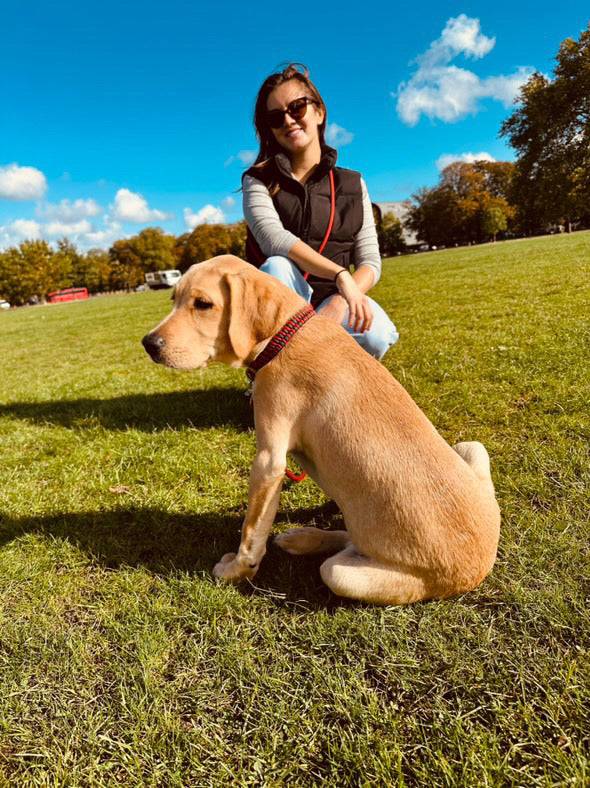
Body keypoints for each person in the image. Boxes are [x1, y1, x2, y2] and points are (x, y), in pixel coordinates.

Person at [241, 63, 399, 360]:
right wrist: (340, 274)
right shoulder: (257, 180)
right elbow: (274, 239)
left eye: (297, 107)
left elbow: (370, 261)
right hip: (281, 301)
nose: (288, 120)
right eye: (276, 118)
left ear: (319, 112)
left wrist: (342, 297)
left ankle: (317, 368)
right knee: (277, 266)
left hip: (334, 295)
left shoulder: (353, 183)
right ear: (270, 130)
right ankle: (271, 374)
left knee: (378, 337)